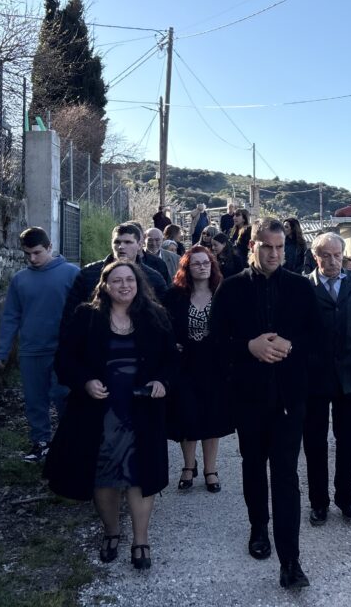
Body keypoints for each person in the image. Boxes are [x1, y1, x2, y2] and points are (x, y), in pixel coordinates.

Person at [211, 217, 321, 589]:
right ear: (252, 247)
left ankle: (291, 561)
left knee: (287, 475)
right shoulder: (231, 289)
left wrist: (292, 345)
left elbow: (317, 337)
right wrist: (249, 346)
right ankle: (259, 527)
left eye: (280, 248)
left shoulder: (301, 289)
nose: (275, 254)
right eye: (267, 247)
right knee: (254, 466)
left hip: (290, 397)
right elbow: (215, 344)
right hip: (249, 396)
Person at [45, 261, 176, 571]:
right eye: (116, 281)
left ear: (138, 283)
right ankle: (111, 532)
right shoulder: (86, 317)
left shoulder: (155, 316)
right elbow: (65, 359)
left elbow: (171, 359)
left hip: (141, 411)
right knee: (103, 473)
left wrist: (162, 381)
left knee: (140, 475)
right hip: (98, 411)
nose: (124, 285)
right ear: (104, 285)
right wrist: (85, 381)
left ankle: (141, 539)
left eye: (129, 279)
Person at [303, 232, 351, 527]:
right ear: (315, 257)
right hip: (314, 377)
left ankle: (345, 498)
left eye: (337, 255)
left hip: (349, 374)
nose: (333, 261)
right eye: (326, 256)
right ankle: (318, 502)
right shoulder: (304, 286)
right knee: (315, 442)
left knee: (348, 440)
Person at [0, 227, 79, 462]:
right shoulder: (20, 280)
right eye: (27, 254)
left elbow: (85, 311)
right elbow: (11, 315)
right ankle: (41, 443)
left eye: (37, 252)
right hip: (32, 350)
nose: (32, 258)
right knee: (34, 400)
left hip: (63, 350)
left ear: (49, 247)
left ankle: (69, 442)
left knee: (64, 397)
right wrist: (3, 349)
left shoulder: (72, 273)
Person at [162, 246, 234, 494]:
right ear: (187, 268)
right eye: (196, 263)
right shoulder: (174, 295)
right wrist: (172, 343)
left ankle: (210, 469)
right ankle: (188, 466)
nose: (202, 267)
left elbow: (233, 327)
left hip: (214, 365)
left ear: (212, 266)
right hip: (185, 364)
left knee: (212, 416)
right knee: (187, 414)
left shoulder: (223, 294)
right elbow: (163, 325)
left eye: (206, 263)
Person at [62, 223, 169, 321]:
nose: (121, 247)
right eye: (117, 242)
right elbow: (71, 313)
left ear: (140, 245)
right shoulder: (88, 273)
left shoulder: (154, 278)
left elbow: (165, 316)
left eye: (128, 242)